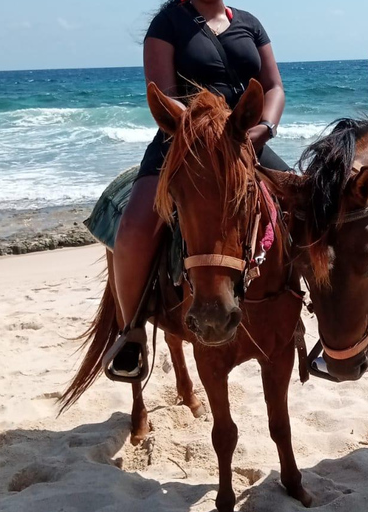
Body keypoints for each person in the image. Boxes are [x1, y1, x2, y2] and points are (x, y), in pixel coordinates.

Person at [109, 0, 289, 378]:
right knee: (133, 230)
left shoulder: (249, 23)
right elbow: (161, 91)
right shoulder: (167, 23)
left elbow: (273, 86)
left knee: (314, 206)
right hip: (184, 140)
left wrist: (265, 128)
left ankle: (328, 321)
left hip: (245, 139)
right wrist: (207, 126)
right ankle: (132, 332)